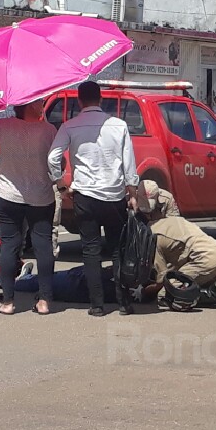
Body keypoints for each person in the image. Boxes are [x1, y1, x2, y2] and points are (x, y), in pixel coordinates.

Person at [48, 80, 139, 317]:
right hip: (113, 196)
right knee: (118, 249)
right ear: (100, 99)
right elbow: (129, 163)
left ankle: (97, 305)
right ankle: (123, 302)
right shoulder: (119, 126)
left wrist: (60, 184)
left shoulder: (69, 126)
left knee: (90, 250)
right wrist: (132, 192)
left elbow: (52, 157)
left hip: (85, 196)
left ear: (79, 101)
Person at [0, 102, 57, 315]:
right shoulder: (49, 130)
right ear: (30, 106)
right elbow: (58, 163)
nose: (42, 105)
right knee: (43, 246)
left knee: (9, 246)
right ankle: (44, 301)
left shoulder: (1, 126)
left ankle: (8, 302)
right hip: (40, 196)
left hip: (8, 195)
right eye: (39, 102)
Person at [143, 195, 216, 310]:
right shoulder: (177, 220)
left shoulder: (152, 234)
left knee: (168, 293)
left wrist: (144, 292)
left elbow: (161, 279)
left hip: (205, 261)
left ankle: (214, 293)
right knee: (191, 283)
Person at [0, 156, 61, 258]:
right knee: (47, 231)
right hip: (33, 176)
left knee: (11, 238)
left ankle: (9, 261)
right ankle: (47, 263)